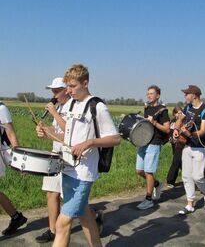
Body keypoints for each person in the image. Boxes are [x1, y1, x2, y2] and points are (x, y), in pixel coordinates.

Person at [37, 64, 120, 247]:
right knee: (85, 216)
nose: (69, 90)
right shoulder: (72, 104)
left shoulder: (97, 106)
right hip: (67, 169)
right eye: (68, 86)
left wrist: (90, 142)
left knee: (62, 223)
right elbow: (68, 135)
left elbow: (115, 139)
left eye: (73, 86)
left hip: (84, 173)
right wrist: (47, 132)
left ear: (85, 83)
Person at [35, 77, 70, 243]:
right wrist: (44, 130)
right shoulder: (60, 106)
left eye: (57, 91)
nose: (54, 94)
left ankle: (93, 218)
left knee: (71, 198)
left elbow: (70, 133)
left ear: (67, 90)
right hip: (55, 154)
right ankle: (52, 230)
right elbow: (56, 131)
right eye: (52, 91)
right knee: (51, 193)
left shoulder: (73, 107)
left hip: (70, 157)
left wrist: (54, 113)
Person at [173, 85, 205, 214]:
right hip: (186, 146)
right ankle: (190, 203)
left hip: (199, 148)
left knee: (197, 176)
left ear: (194, 95)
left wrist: (190, 134)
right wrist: (176, 129)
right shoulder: (187, 108)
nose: (185, 96)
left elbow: (203, 131)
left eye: (187, 94)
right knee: (186, 176)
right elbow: (181, 121)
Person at [136, 85, 170, 210]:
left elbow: (167, 129)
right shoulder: (147, 108)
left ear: (158, 95)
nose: (149, 96)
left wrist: (154, 122)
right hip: (144, 142)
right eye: (148, 94)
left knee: (148, 171)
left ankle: (148, 199)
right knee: (139, 171)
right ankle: (157, 184)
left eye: (151, 93)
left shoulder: (162, 110)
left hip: (155, 143)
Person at [0, 101, 27, 236]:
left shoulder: (1, 108)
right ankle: (16, 217)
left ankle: (16, 217)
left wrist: (21, 159)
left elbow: (10, 133)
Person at [166, 105, 183, 188]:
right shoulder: (172, 122)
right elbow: (169, 132)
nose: (179, 115)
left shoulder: (184, 121)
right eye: (177, 113)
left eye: (180, 113)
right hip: (174, 143)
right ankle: (190, 177)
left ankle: (170, 180)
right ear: (174, 114)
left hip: (181, 144)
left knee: (176, 160)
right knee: (179, 161)